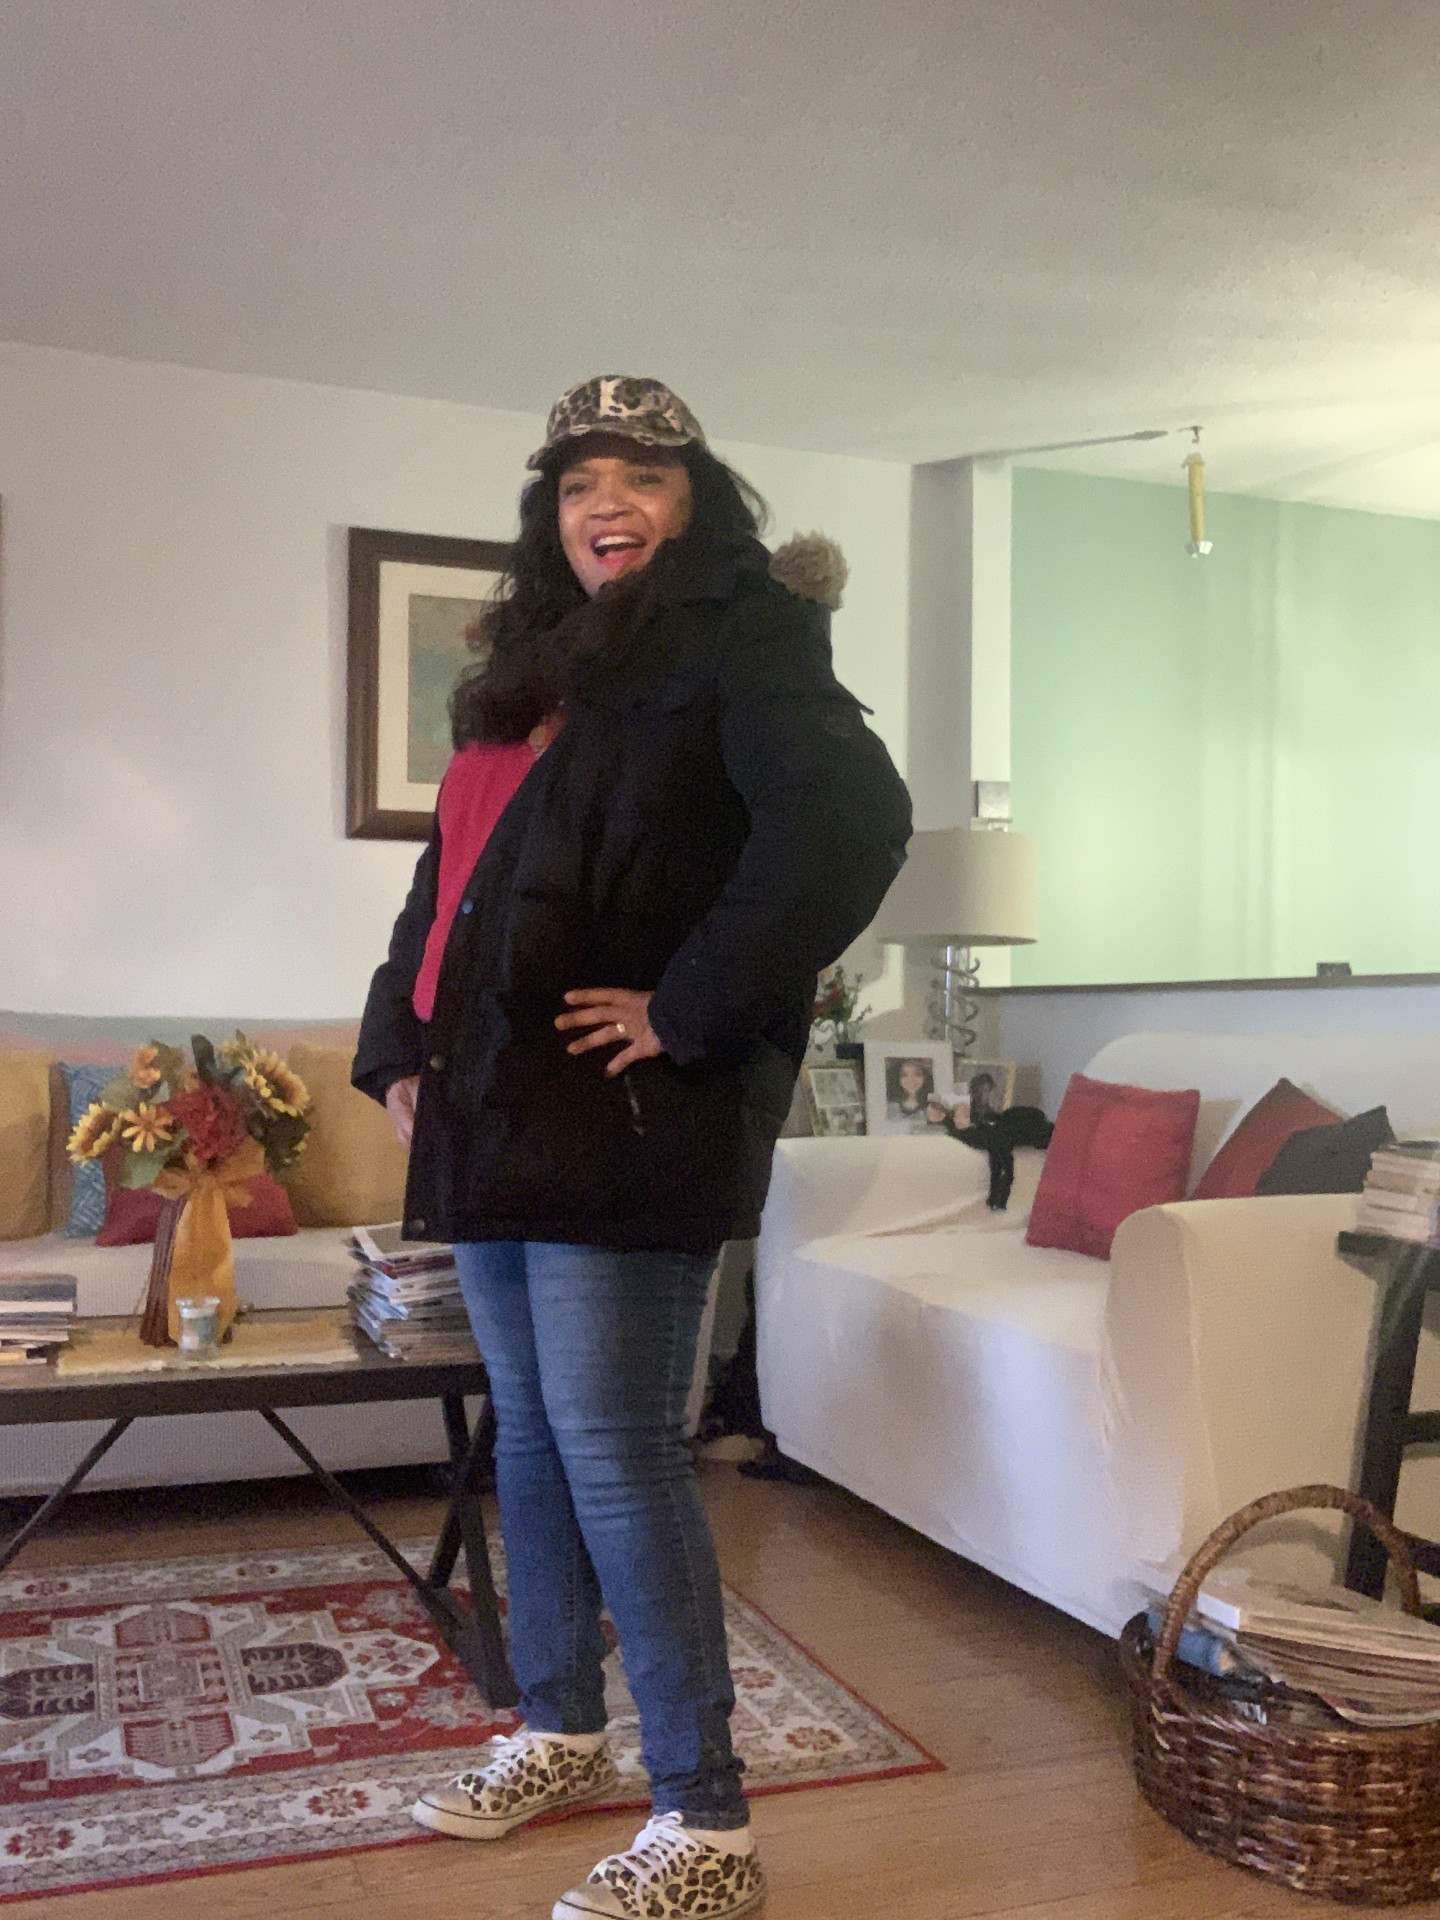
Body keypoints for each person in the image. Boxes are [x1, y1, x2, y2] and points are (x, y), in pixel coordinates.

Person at [353, 373, 911, 1920]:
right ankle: (558, 1727)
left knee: (613, 1446)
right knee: (531, 1435)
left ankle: (705, 1823)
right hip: (490, 1108)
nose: (609, 503)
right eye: (580, 481)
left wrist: (689, 1004)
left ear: (694, 504)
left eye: (644, 478)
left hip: (627, 1113)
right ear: (553, 514)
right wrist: (399, 1046)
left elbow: (851, 825)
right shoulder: (535, 669)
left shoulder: (745, 636)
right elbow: (448, 882)